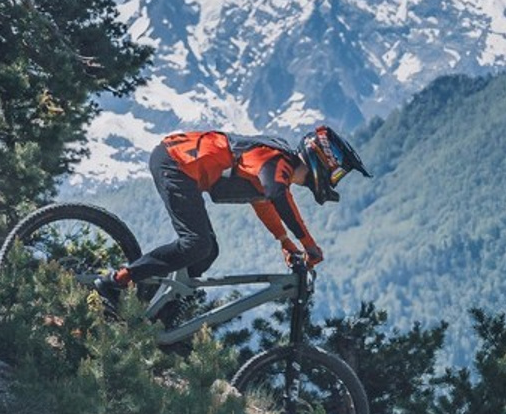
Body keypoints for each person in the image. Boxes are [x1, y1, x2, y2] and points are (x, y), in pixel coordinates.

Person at [94, 124, 370, 301]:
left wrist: (285, 242)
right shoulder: (276, 161)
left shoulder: (277, 169)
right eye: (337, 173)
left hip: (184, 168)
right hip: (175, 162)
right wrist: (308, 244)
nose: (335, 179)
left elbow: (263, 201)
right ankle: (116, 281)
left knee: (208, 250)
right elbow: (276, 195)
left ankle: (157, 309)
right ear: (322, 161)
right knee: (196, 243)